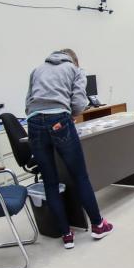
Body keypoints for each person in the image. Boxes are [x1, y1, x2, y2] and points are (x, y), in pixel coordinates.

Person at [25, 49, 114, 249]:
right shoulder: (75, 70)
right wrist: (68, 116)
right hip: (59, 120)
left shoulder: (37, 70)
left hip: (34, 122)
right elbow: (80, 103)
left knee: (50, 182)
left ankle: (66, 235)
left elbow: (28, 101)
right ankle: (99, 225)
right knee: (80, 176)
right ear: (73, 60)